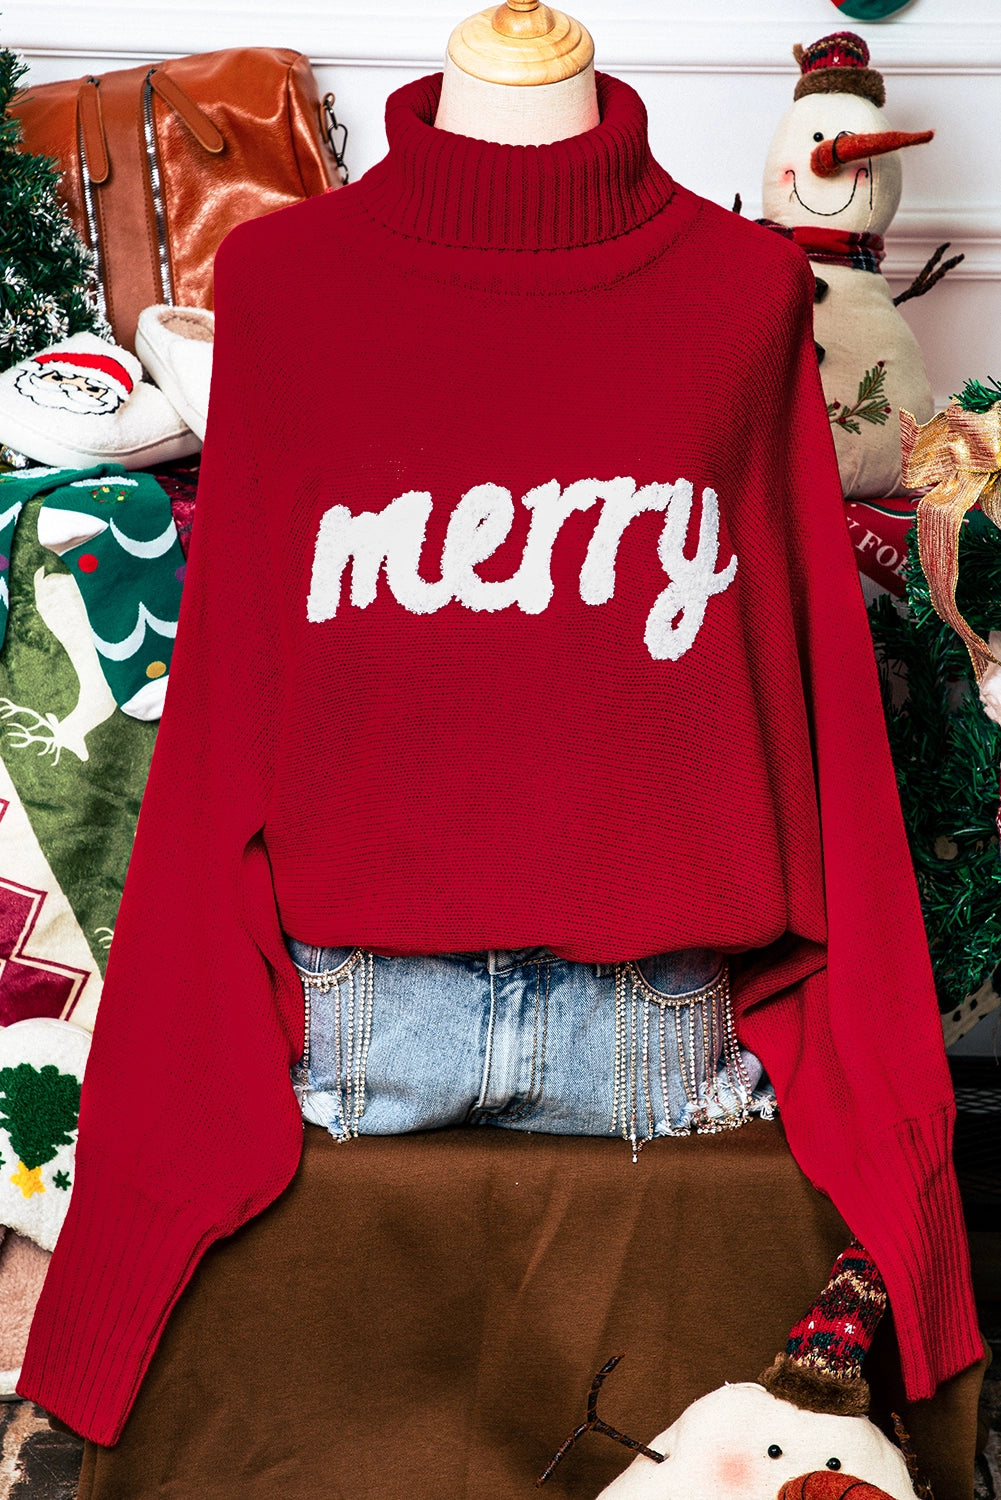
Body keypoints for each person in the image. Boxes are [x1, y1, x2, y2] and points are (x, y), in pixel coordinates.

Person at [20, 0, 981, 1453]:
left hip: (628, 1036)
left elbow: (816, 713)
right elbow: (230, 710)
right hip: (388, 1030)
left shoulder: (742, 293)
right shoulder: (283, 284)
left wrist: (905, 1192)